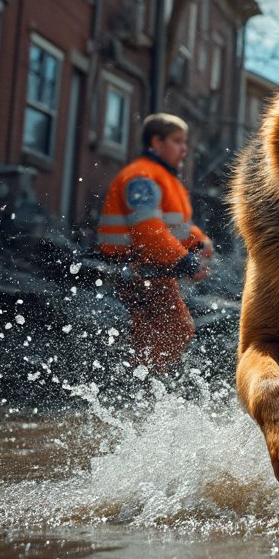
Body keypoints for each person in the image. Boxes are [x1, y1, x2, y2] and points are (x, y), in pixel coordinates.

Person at [97, 113, 212, 373]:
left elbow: (175, 226)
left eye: (185, 142)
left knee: (156, 331)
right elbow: (147, 231)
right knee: (177, 329)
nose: (184, 149)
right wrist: (187, 261)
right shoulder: (142, 177)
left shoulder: (163, 177)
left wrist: (199, 242)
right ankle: (138, 385)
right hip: (132, 270)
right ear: (156, 142)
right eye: (177, 141)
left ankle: (137, 384)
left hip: (148, 271)